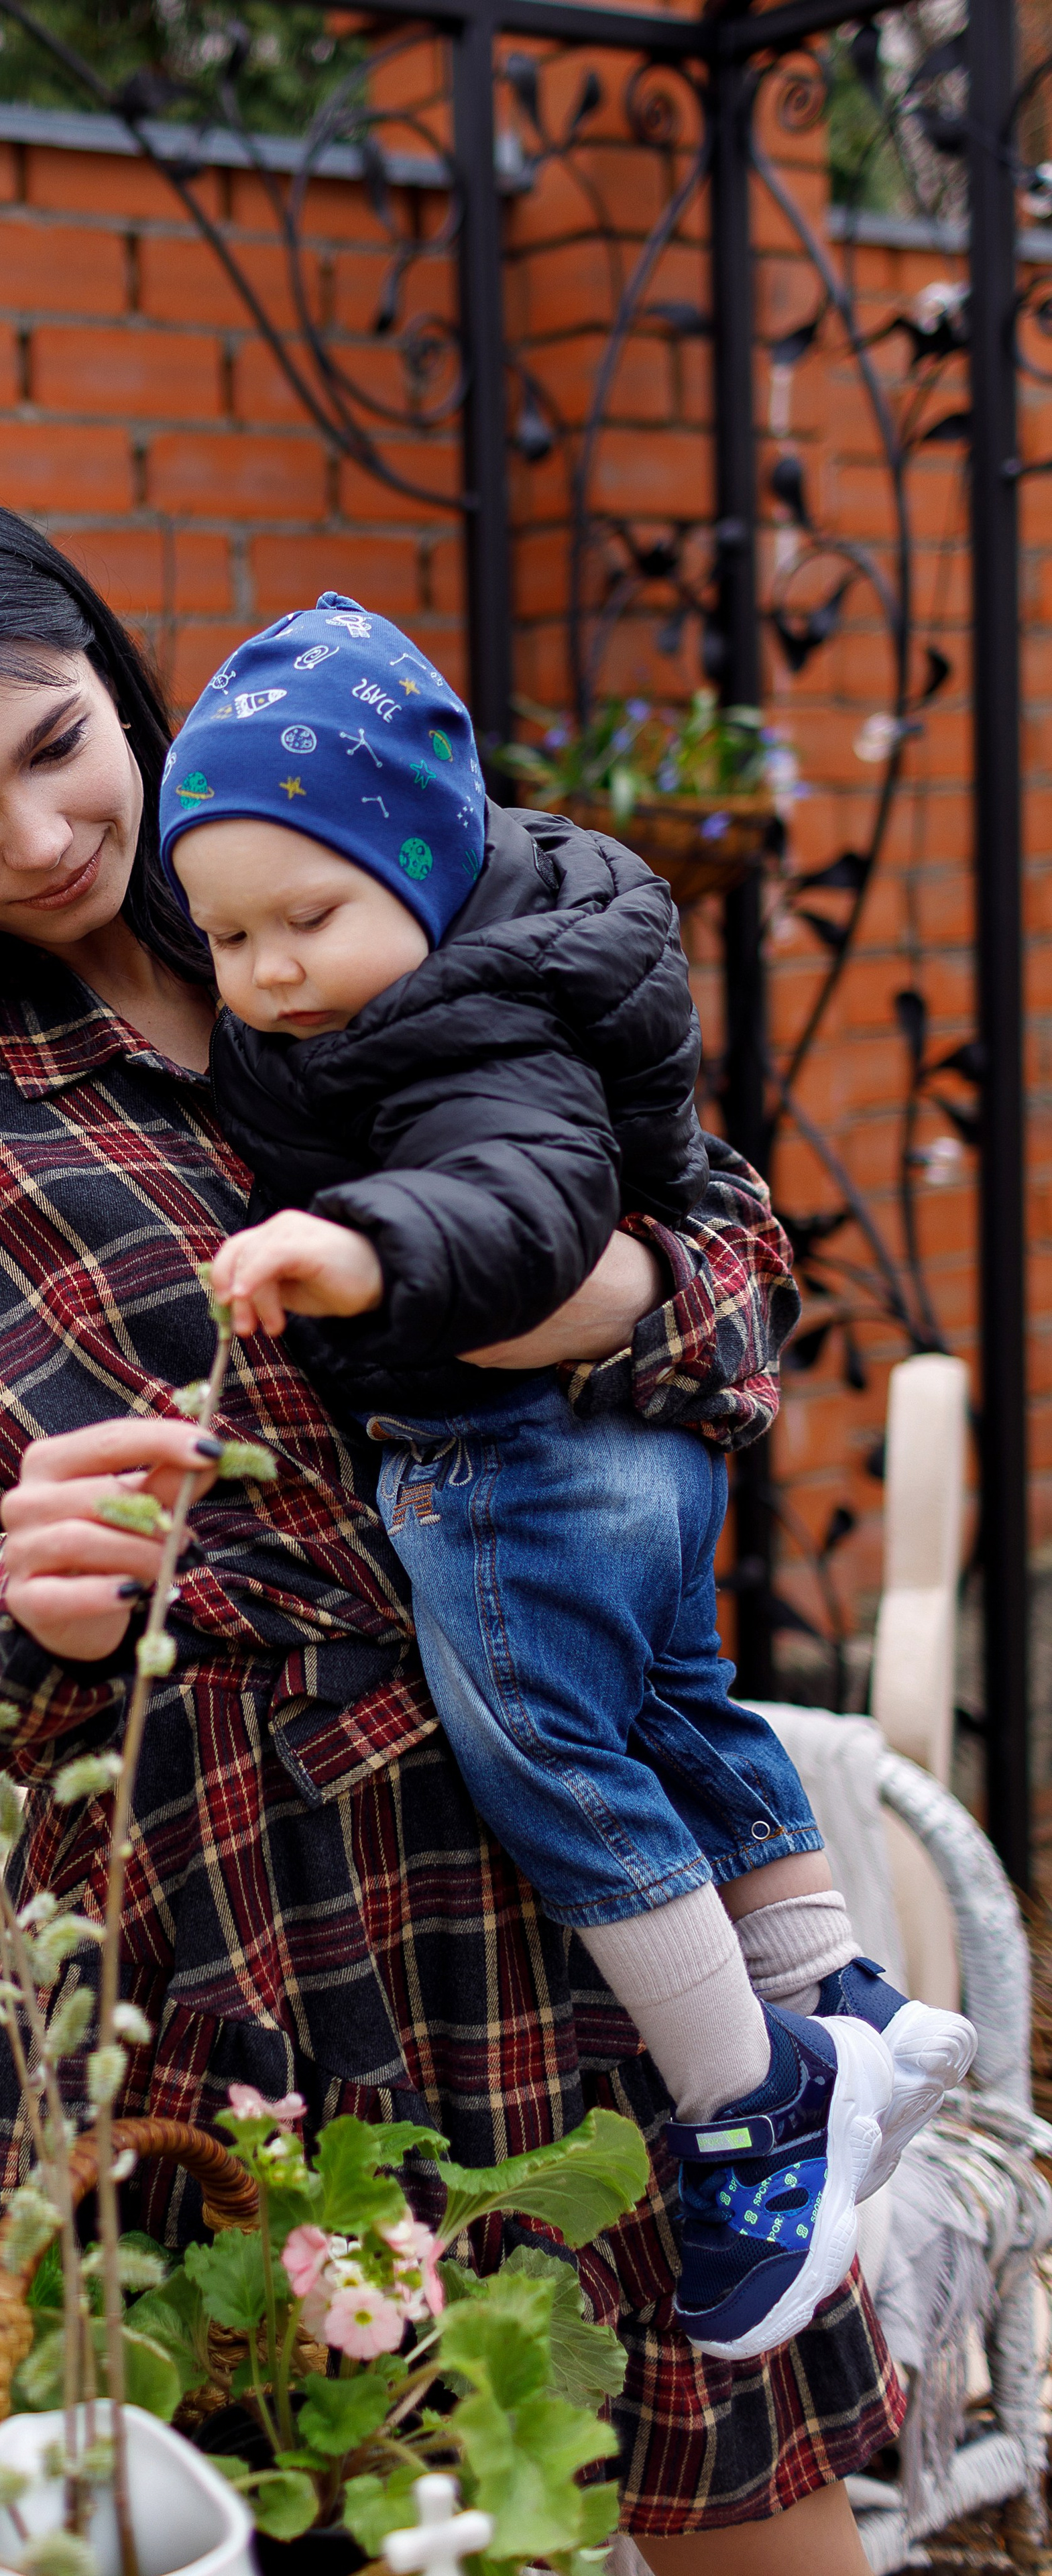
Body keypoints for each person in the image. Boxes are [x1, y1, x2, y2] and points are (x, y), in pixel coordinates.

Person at [0, 478, 902, 2574]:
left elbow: (730, 1275)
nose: (42, 837)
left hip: (566, 1873)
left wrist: (599, 1297)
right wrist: (8, 1593)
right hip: (222, 1937)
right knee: (318, 2500)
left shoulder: (380, 902)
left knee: (746, 2501)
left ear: (112, 675)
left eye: (56, 744)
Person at [160, 596, 976, 2361]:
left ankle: (750, 2098)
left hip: (515, 1459)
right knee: (682, 1709)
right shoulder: (495, 959)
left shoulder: (467, 1030)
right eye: (228, 936)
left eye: (309, 915)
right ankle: (835, 1988)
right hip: (640, 1452)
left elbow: (521, 1204)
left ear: (431, 871)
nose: (272, 971)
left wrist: (365, 1244)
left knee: (560, 1774)